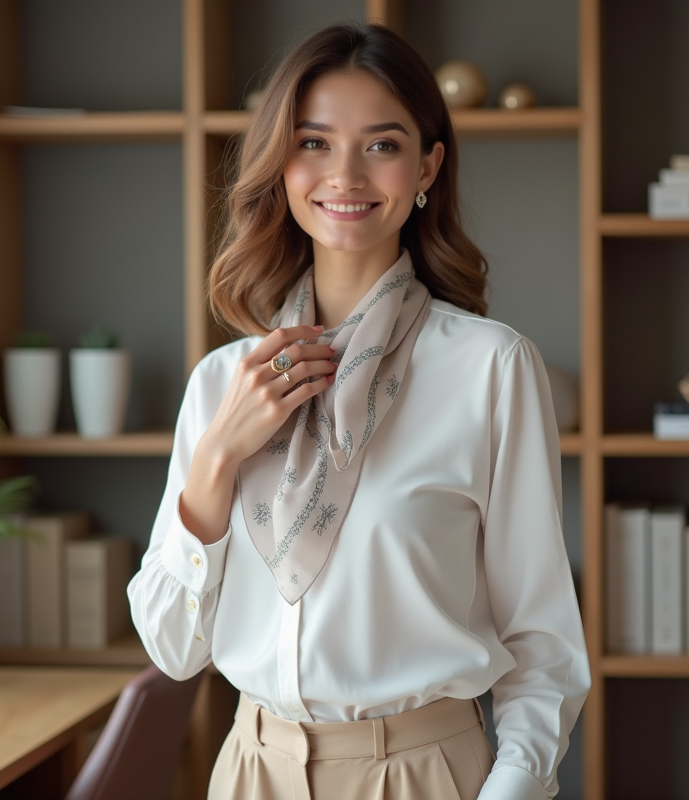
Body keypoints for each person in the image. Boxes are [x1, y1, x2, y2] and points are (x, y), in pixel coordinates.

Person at [128, 22, 589, 800]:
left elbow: (543, 645)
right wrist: (215, 462)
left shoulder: (490, 368)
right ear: (280, 164)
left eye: (381, 144)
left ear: (427, 167)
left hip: (421, 775)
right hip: (251, 770)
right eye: (313, 142)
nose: (344, 174)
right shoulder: (222, 385)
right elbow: (174, 651)